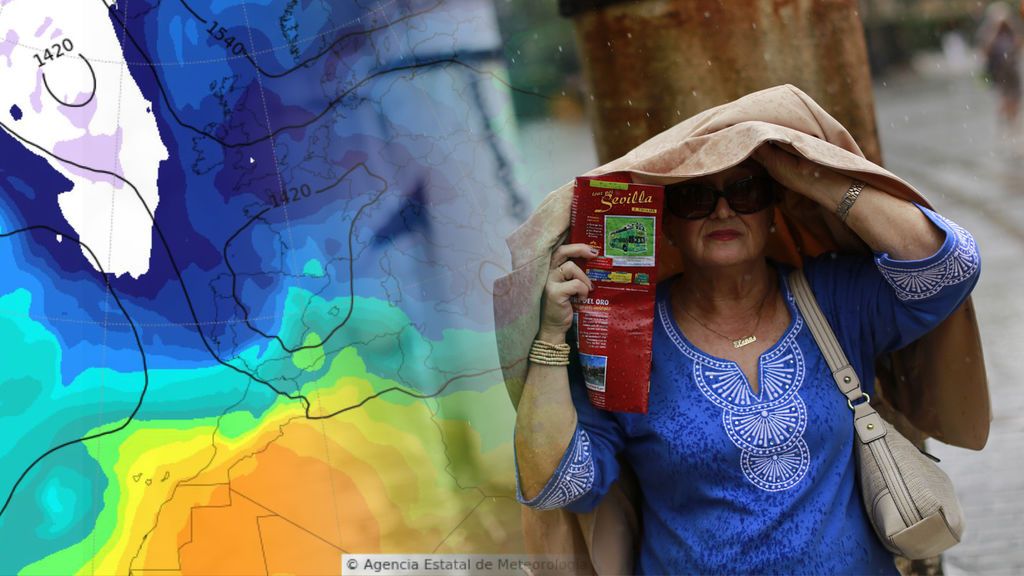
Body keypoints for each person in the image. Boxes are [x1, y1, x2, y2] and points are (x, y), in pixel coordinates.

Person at [507, 88, 982, 574]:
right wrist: (549, 336)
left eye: (746, 191)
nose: (723, 211)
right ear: (665, 223)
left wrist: (816, 177)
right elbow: (560, 486)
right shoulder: (627, 333)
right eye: (695, 197)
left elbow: (951, 267)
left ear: (773, 210)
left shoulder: (831, 297)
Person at [978, 2, 1023, 126]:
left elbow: (1019, 45)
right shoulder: (988, 30)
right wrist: (995, 28)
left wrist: (1011, 27)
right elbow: (985, 50)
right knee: (1004, 97)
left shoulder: (1011, 29)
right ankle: (1005, 122)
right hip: (999, 70)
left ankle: (1013, 122)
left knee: (1016, 96)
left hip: (1012, 67)